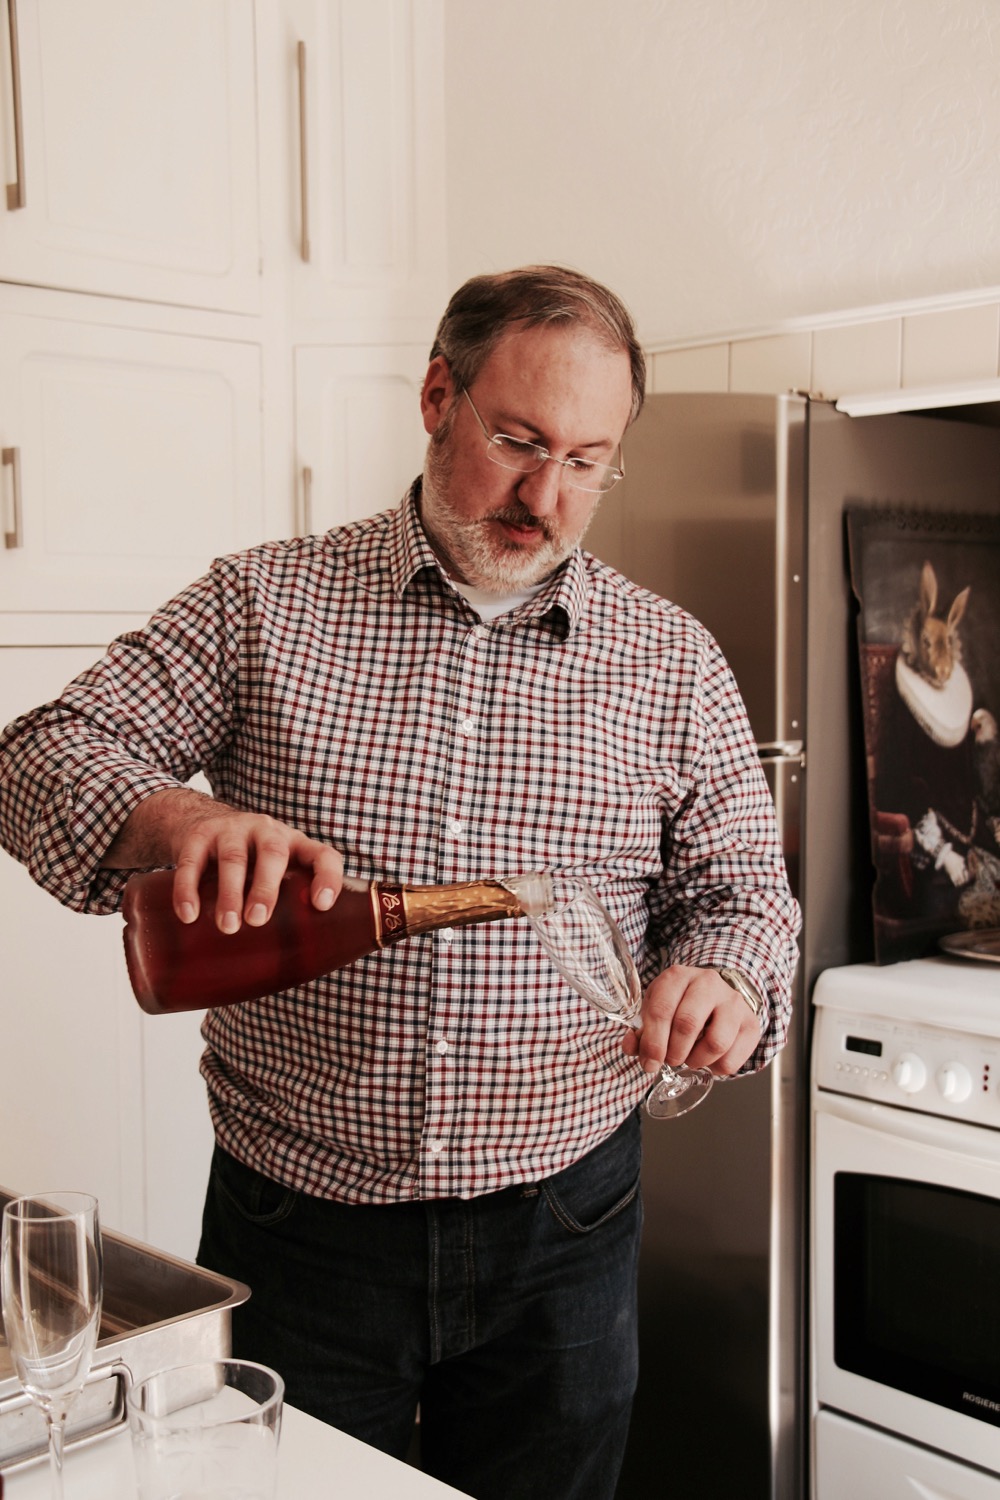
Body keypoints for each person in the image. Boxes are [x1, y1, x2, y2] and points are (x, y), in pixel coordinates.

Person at [0, 265, 800, 1500]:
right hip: (298, 1236)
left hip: (568, 1234)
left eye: (588, 461)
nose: (546, 497)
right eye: (519, 441)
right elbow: (34, 757)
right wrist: (176, 813)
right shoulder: (263, 602)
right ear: (437, 395)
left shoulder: (670, 661)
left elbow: (747, 884)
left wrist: (729, 976)